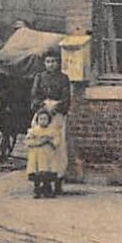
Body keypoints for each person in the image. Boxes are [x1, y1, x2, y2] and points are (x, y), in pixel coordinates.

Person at [26, 50, 72, 197]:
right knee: (39, 146)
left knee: (57, 148)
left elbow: (66, 99)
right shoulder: (39, 77)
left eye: (53, 62)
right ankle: (39, 182)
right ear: (44, 63)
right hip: (42, 116)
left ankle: (57, 182)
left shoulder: (63, 79)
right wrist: (42, 107)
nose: (51, 65)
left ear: (58, 63)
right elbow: (34, 96)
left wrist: (55, 107)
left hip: (57, 116)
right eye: (48, 62)